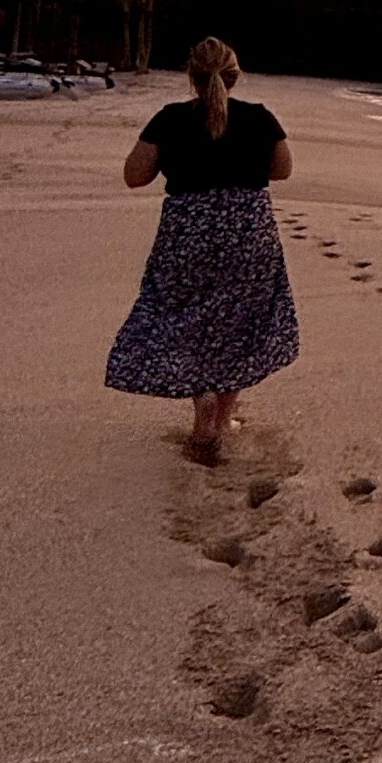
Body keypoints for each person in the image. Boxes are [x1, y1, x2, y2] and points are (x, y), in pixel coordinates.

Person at [104, 37, 299, 463]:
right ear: (234, 75)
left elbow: (134, 176)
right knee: (240, 321)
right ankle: (225, 414)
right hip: (246, 232)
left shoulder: (170, 119)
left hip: (187, 235)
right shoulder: (259, 118)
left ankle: (203, 405)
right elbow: (282, 170)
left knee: (184, 317)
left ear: (191, 76)